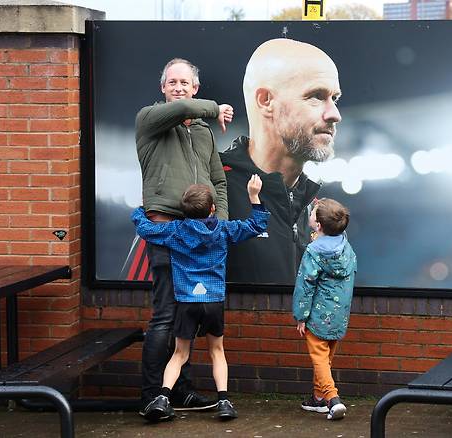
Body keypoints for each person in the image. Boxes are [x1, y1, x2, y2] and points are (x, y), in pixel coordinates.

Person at [133, 57, 235, 420]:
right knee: (164, 316)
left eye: (185, 83)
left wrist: (217, 226)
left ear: (194, 87)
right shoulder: (149, 119)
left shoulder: (203, 132)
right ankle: (150, 396)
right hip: (166, 230)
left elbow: (218, 183)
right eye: (172, 82)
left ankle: (180, 391)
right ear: (163, 88)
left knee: (186, 320)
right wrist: (214, 108)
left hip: (202, 237)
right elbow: (185, 109)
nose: (178, 88)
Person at [131, 176, 270, 421]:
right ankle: (224, 401)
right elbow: (256, 225)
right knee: (217, 351)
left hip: (186, 301)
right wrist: (254, 197)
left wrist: (141, 209)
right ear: (213, 209)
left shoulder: (175, 230)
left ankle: (162, 398)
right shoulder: (224, 229)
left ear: (183, 212)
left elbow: (145, 229)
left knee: (179, 354)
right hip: (214, 301)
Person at [221, 38, 342, 285]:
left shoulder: (313, 206)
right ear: (265, 101)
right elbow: (149, 297)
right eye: (316, 96)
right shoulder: (209, 187)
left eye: (335, 98)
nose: (334, 114)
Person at [292, 198, 356, 421]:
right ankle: (319, 398)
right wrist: (323, 206)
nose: (310, 214)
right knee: (327, 357)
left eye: (313, 214)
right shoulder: (344, 246)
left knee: (319, 358)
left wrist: (301, 316)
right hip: (340, 314)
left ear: (318, 225)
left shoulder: (313, 251)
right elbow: (336, 226)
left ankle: (332, 399)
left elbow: (305, 285)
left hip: (318, 315)